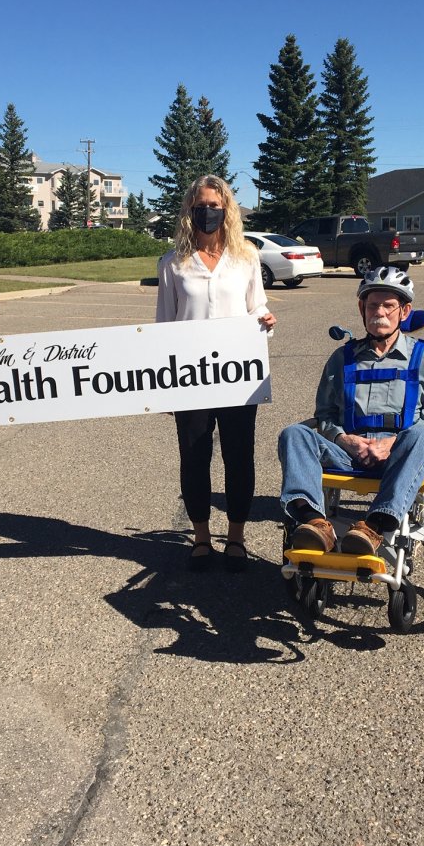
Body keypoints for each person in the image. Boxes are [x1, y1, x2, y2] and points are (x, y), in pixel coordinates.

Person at [278, 267, 424, 558]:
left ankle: (374, 526)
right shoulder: (342, 358)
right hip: (349, 451)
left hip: (401, 456)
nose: (380, 313)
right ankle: (314, 522)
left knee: (423, 435)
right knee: (294, 434)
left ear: (405, 311)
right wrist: (344, 439)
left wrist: (392, 443)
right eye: (372, 305)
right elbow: (325, 414)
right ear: (362, 309)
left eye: (388, 306)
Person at [155, 175, 277, 569]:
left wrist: (265, 320)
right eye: (200, 206)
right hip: (190, 379)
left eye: (215, 206)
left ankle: (237, 537)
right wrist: (163, 385)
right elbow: (164, 326)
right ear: (190, 212)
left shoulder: (246, 258)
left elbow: (256, 307)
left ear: (227, 210)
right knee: (194, 457)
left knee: (239, 457)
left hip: (237, 376)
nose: (208, 213)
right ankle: (202, 537)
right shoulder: (173, 263)